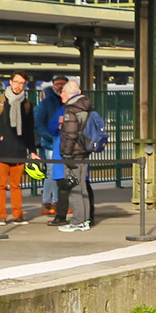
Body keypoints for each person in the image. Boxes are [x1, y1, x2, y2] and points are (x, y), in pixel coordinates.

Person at [0, 71, 39, 225]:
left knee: (16, 186)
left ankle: (18, 215)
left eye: (22, 83)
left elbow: (30, 130)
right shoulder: (0, 101)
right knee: (1, 185)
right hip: (3, 150)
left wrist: (32, 151)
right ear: (10, 82)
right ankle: (2, 215)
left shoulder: (27, 104)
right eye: (16, 82)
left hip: (19, 150)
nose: (18, 86)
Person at [56, 78, 95, 232]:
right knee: (82, 186)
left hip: (74, 153)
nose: (61, 95)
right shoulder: (87, 107)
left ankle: (77, 221)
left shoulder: (71, 109)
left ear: (66, 93)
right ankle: (85, 220)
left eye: (62, 92)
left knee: (74, 188)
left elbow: (71, 133)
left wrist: (66, 153)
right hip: (84, 151)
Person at [34, 75, 67, 216]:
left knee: (62, 173)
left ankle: (58, 201)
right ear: (53, 86)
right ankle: (48, 202)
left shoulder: (67, 101)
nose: (60, 87)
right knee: (51, 172)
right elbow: (39, 123)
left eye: (62, 84)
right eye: (57, 84)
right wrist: (49, 136)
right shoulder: (46, 103)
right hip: (50, 143)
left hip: (66, 143)